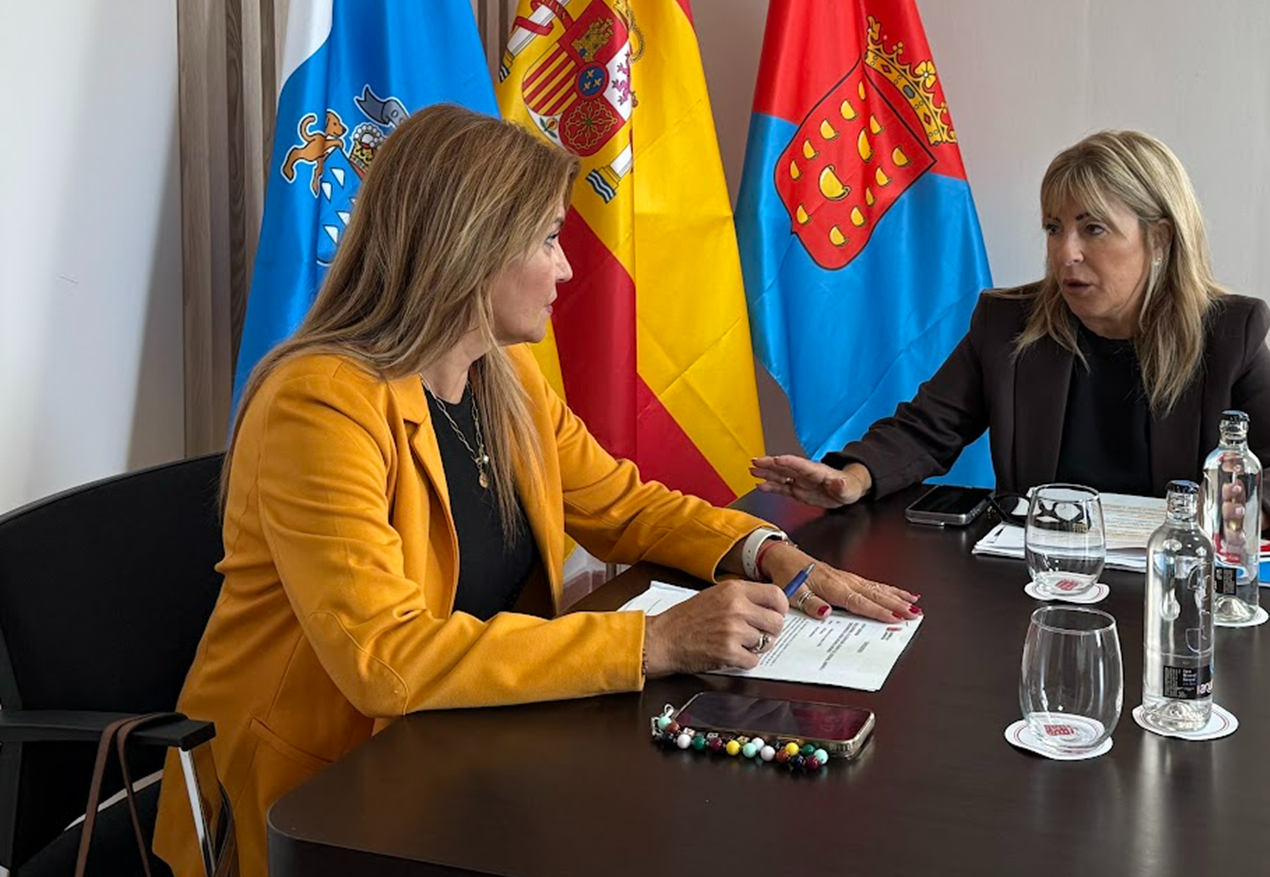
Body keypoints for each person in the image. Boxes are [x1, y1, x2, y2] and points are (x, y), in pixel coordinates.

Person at [154, 105, 920, 877]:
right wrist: (656, 641)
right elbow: (382, 658)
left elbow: (622, 505)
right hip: (323, 797)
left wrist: (771, 553)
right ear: (469, 249)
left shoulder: (501, 371)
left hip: (459, 746)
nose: (567, 269)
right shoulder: (320, 402)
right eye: (550, 239)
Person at [752, 129, 1270, 537]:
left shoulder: (1228, 332)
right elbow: (928, 429)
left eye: (1093, 228)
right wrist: (852, 478)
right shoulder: (1010, 324)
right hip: (1038, 586)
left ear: (1158, 239)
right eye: (1054, 229)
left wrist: (1237, 507)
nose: (1066, 253)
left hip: (1169, 596)